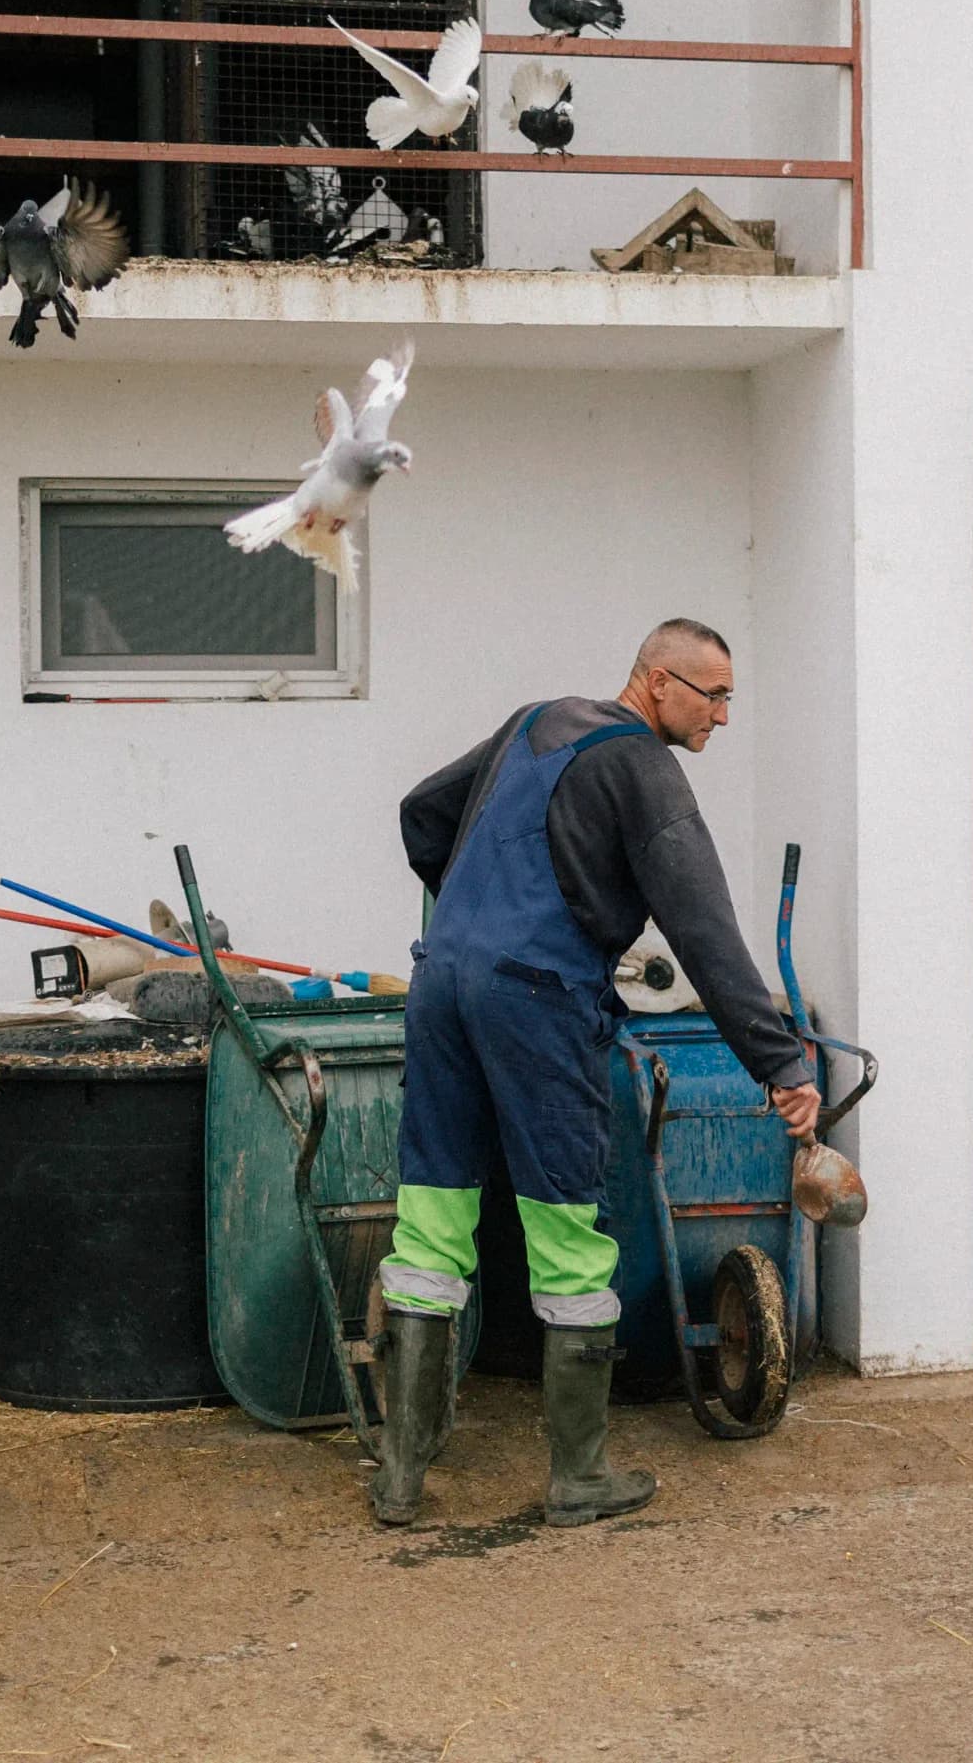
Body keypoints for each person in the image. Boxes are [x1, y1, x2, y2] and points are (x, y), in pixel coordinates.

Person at [371, 618, 819, 1528]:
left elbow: (423, 811)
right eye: (714, 693)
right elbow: (705, 930)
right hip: (537, 997)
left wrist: (470, 907)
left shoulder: (532, 720)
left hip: (441, 981)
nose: (724, 715)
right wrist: (778, 1061)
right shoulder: (645, 769)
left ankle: (399, 1478)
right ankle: (577, 1477)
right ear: (656, 681)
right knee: (568, 1222)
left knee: (432, 1213)